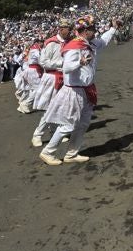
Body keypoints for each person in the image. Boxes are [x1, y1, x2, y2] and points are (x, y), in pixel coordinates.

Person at [39, 16, 121, 165]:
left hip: (87, 89)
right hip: (74, 91)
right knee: (68, 124)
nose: (95, 31)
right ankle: (48, 152)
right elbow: (67, 67)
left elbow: (104, 41)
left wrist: (113, 28)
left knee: (83, 123)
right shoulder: (74, 46)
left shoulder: (91, 43)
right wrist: (80, 62)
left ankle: (72, 153)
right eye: (92, 29)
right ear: (84, 31)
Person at [32, 20, 73, 112]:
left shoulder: (69, 42)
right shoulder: (52, 43)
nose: (70, 31)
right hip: (53, 78)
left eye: (71, 29)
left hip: (66, 77)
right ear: (61, 29)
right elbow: (43, 62)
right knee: (51, 108)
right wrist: (61, 63)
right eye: (68, 29)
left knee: (63, 107)